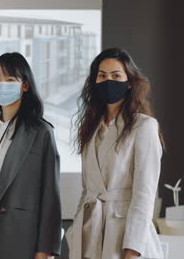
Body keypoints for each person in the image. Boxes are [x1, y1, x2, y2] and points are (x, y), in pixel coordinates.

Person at [0, 52, 62, 259]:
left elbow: (50, 197)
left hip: (21, 237)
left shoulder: (41, 132)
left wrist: (45, 251)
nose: (2, 85)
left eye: (10, 79)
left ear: (24, 85)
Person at [66, 48, 165, 259]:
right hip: (89, 235)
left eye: (116, 75)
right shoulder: (90, 129)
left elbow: (144, 194)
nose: (108, 80)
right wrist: (75, 231)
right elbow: (87, 190)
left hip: (124, 237)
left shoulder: (144, 126)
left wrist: (132, 249)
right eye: (102, 76)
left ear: (129, 82)